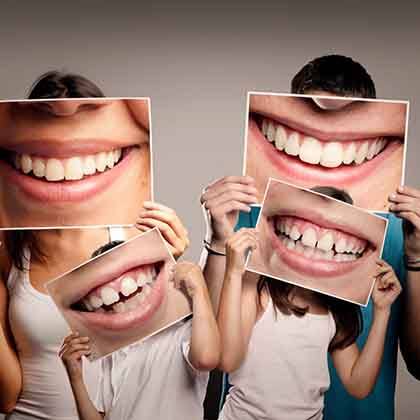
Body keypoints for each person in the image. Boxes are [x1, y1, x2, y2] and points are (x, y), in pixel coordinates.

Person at [200, 55, 420, 420]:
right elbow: (207, 351)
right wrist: (217, 242)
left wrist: (417, 259)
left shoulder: (401, 231)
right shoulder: (249, 221)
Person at [0, 73, 189, 420]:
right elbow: (6, 398)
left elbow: (173, 365)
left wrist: (170, 271)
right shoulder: (9, 251)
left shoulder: (136, 238)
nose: (65, 112)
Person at [217, 226, 400, 420]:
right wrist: (233, 274)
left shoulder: (333, 312)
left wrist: (382, 311)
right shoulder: (258, 289)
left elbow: (359, 385)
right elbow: (228, 361)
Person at [60, 261, 220, 420]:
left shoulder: (183, 332)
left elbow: (206, 359)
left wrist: (199, 291)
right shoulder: (113, 349)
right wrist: (75, 376)